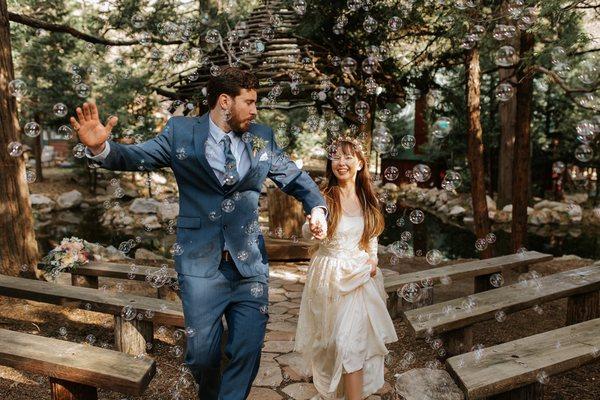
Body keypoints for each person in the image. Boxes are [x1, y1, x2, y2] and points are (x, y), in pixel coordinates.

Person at [69, 67, 328, 400]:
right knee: (202, 356)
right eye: (248, 102)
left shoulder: (261, 135)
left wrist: (317, 207)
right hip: (199, 265)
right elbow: (138, 157)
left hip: (249, 266)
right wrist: (102, 149)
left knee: (247, 348)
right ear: (224, 102)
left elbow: (295, 177)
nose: (255, 110)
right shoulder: (180, 132)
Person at [294, 137, 398, 400]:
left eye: (348, 156)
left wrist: (373, 260)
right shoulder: (324, 198)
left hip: (359, 279)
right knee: (331, 347)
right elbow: (309, 231)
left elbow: (371, 240)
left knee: (351, 345)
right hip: (329, 276)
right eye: (337, 157)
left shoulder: (368, 201)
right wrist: (313, 227)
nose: (341, 162)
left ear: (361, 163)